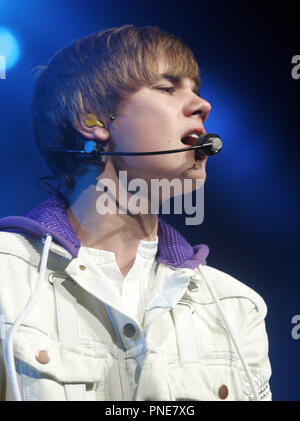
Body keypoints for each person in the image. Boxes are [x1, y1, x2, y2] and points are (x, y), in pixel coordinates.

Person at [0, 25, 271, 401]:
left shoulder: (235, 307)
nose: (202, 105)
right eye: (167, 88)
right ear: (91, 119)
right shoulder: (6, 277)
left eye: (196, 89)